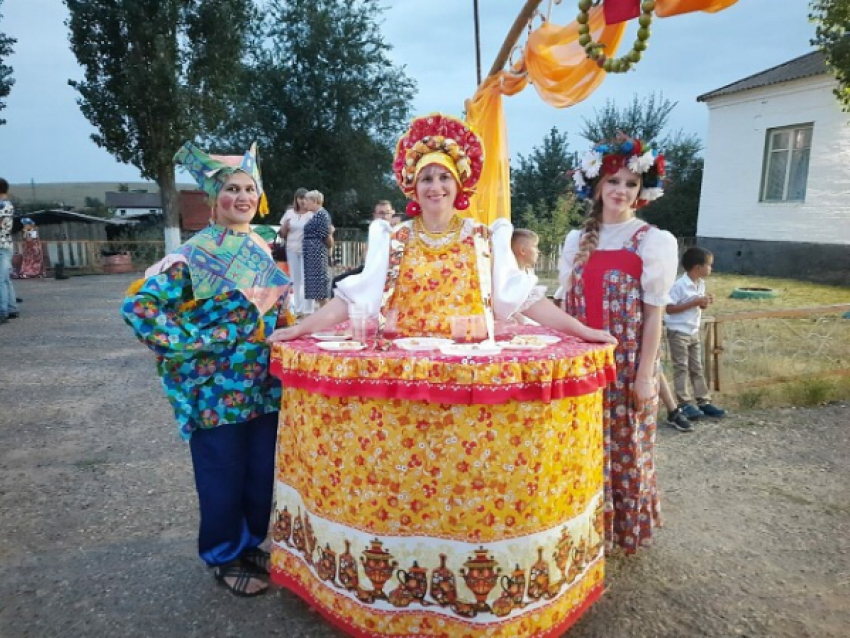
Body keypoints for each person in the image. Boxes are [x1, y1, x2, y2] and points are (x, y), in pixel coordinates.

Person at [268, 114, 616, 636]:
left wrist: (581, 329)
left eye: (444, 178)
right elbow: (353, 300)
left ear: (460, 185)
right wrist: (299, 330)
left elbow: (521, 299)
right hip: (407, 378)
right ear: (413, 185)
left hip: (466, 373)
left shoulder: (484, 237)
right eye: (427, 178)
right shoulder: (394, 237)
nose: (435, 187)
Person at [122, 142, 292, 598]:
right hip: (214, 393)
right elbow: (140, 307)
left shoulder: (258, 245)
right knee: (222, 474)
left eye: (248, 188)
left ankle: (250, 542)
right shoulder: (195, 254)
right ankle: (222, 553)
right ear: (215, 198)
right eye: (231, 189)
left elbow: (273, 313)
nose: (241, 197)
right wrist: (196, 346)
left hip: (264, 387)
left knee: (259, 473)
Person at [559, 134, 679, 553]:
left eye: (630, 183)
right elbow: (564, 307)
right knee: (581, 446)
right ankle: (584, 531)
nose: (620, 190)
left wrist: (645, 374)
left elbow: (654, 315)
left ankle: (621, 531)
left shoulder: (652, 240)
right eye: (613, 180)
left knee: (625, 447)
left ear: (641, 190)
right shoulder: (576, 242)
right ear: (596, 186)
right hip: (581, 367)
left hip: (626, 364)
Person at [665, 246, 725, 420]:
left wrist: (703, 303)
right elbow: (669, 308)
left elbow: (696, 304)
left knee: (697, 367)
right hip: (678, 331)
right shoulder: (679, 285)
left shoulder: (701, 284)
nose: (711, 268)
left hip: (693, 330)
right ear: (698, 267)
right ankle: (684, 403)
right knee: (681, 367)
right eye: (709, 265)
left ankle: (703, 401)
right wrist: (694, 302)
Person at [330, 200, 394, 293]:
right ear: (374, 215)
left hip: (385, 271)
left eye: (387, 213)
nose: (384, 216)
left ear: (392, 213)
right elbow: (366, 253)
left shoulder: (396, 231)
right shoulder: (374, 230)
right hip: (369, 269)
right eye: (381, 213)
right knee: (337, 282)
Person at [279, 188, 313, 315]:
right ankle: (297, 309)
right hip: (292, 248)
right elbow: (282, 234)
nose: (302, 201)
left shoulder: (311, 214)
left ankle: (308, 309)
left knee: (307, 279)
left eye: (305, 198)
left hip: (307, 249)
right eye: (300, 198)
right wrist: (285, 227)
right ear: (296, 199)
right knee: (295, 279)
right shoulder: (289, 213)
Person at [301, 190, 333, 309]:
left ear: (314, 201)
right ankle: (322, 313)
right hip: (312, 255)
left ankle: (327, 315)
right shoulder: (316, 215)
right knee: (317, 290)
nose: (305, 203)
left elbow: (326, 236)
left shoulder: (322, 215)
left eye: (308, 200)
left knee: (320, 290)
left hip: (317, 255)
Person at [0, 178, 20, 324]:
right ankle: (12, 308)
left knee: (1, 281)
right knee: (5, 279)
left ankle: (2, 311)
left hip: (1, 246)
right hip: (6, 244)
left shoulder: (2, 206)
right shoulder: (8, 205)